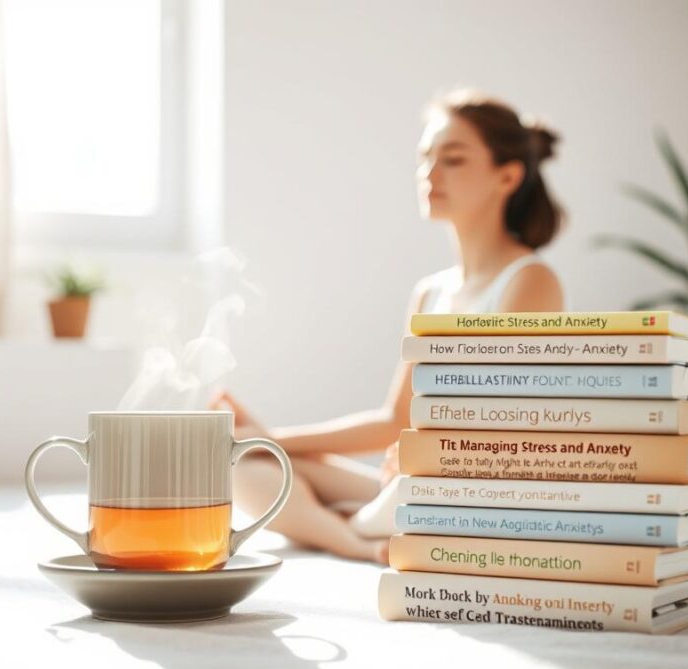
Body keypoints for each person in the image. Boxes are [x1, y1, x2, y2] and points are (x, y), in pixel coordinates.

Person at [212, 90, 566, 562]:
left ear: (508, 176)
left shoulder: (529, 281)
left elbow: (517, 424)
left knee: (280, 474)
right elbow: (394, 421)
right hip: (416, 482)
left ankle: (356, 535)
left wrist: (427, 453)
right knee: (248, 467)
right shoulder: (431, 292)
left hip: (477, 492)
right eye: (425, 158)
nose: (430, 173)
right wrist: (267, 439)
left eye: (453, 159)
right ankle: (366, 542)